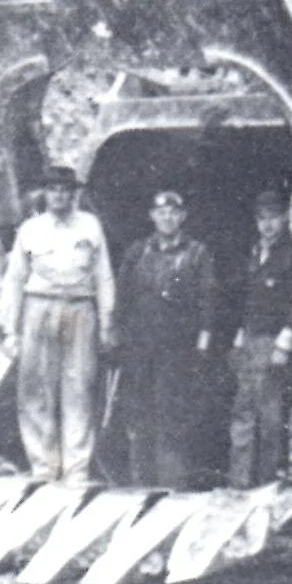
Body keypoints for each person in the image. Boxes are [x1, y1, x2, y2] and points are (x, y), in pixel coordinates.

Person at [0, 163, 115, 485]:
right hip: (39, 308)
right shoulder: (31, 230)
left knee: (79, 389)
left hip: (80, 309)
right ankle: (43, 467)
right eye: (53, 190)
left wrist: (107, 321)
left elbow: (103, 276)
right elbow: (14, 281)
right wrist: (11, 329)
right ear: (45, 194)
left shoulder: (90, 227)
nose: (60, 196)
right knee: (37, 388)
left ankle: (76, 469)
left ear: (74, 195)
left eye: (66, 191)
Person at [111, 187, 217, 489]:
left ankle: (172, 486)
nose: (167, 218)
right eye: (161, 213)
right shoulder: (137, 252)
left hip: (177, 349)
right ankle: (140, 484)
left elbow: (209, 301)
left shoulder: (197, 254)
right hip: (141, 348)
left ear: (182, 217)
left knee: (172, 416)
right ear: (152, 217)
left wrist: (203, 342)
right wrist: (117, 335)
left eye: (173, 212)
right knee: (139, 412)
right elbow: (122, 298)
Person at [228, 183, 292, 488]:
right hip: (252, 340)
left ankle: (268, 480)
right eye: (262, 218)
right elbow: (249, 299)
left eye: (274, 217)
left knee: (271, 415)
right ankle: (240, 480)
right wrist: (240, 335)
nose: (267, 224)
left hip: (274, 342)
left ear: (286, 218)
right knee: (244, 411)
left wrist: (285, 343)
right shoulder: (256, 251)